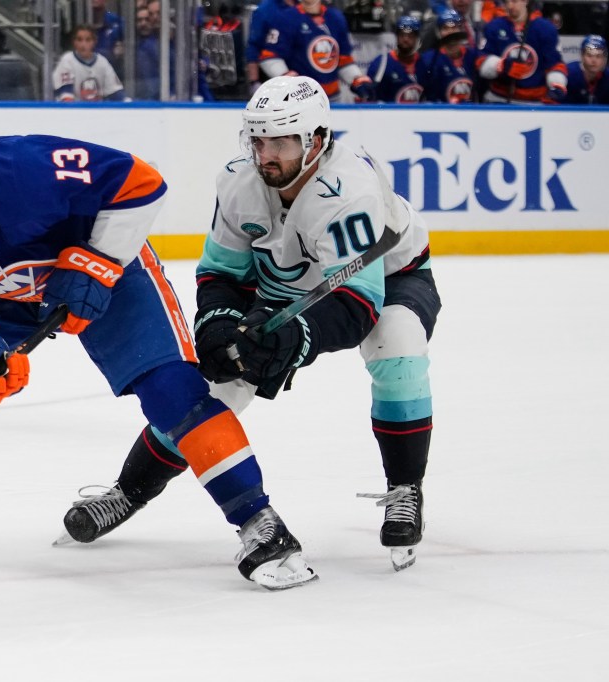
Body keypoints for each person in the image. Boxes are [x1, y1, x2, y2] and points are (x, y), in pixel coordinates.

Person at [0, 121, 319, 590]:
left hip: (105, 275)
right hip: (0, 300)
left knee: (172, 389)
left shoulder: (25, 171)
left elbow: (142, 182)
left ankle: (258, 521)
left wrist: (97, 261)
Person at [62, 75, 440, 573]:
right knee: (216, 389)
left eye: (281, 141)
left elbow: (357, 304)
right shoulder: (239, 180)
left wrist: (297, 337)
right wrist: (219, 321)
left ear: (317, 141)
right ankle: (129, 491)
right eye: (258, 139)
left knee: (397, 345)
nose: (266, 154)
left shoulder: (350, 191)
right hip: (289, 285)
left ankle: (404, 488)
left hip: (386, 278)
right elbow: (222, 272)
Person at [254, 0, 376, 102]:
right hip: (300, 102)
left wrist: (357, 79)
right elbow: (269, 58)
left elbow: (343, 60)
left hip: (333, 100)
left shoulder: (336, 18)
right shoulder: (286, 18)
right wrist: (290, 82)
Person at [476, 0, 566, 104]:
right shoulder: (494, 26)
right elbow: (481, 60)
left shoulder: (545, 29)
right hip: (499, 98)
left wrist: (557, 85)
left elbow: (555, 64)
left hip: (534, 101)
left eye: (514, 1)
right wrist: (501, 65)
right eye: (506, 2)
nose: (509, 6)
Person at [418, 8, 480, 103]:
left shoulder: (473, 55)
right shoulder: (428, 59)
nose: (450, 32)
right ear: (439, 33)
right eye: (446, 28)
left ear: (460, 30)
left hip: (470, 113)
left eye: (454, 28)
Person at [52, 24, 124, 102]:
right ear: (74, 42)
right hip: (73, 110)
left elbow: (115, 92)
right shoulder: (67, 60)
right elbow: (66, 95)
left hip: (97, 110)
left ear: (94, 42)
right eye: (79, 40)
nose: (83, 44)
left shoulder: (102, 62)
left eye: (88, 40)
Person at [367, 14, 425, 103]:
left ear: (418, 39)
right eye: (402, 35)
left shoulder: (426, 64)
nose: (405, 39)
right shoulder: (381, 65)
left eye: (410, 36)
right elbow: (371, 98)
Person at [564, 34, 609, 104]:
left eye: (598, 56)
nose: (594, 60)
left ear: (604, 58)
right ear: (582, 56)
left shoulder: (607, 77)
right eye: (589, 55)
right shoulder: (568, 73)